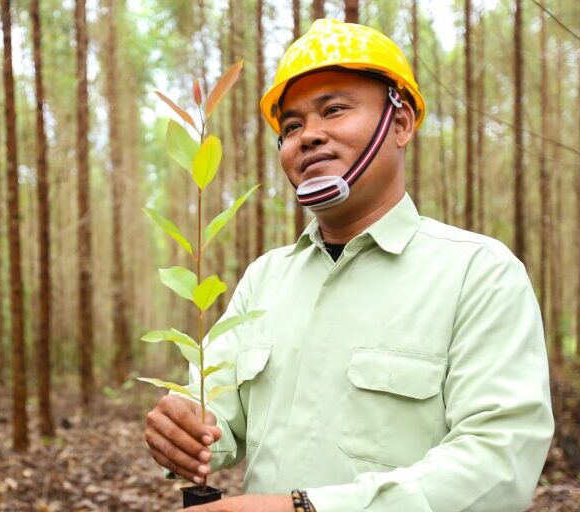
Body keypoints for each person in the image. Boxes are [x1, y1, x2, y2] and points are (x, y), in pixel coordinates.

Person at [143, 18, 554, 512]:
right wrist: (182, 429)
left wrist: (305, 508)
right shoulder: (264, 279)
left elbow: (498, 465)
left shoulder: (479, 273)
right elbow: (218, 423)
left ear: (399, 125)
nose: (309, 137)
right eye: (292, 126)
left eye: (333, 110)